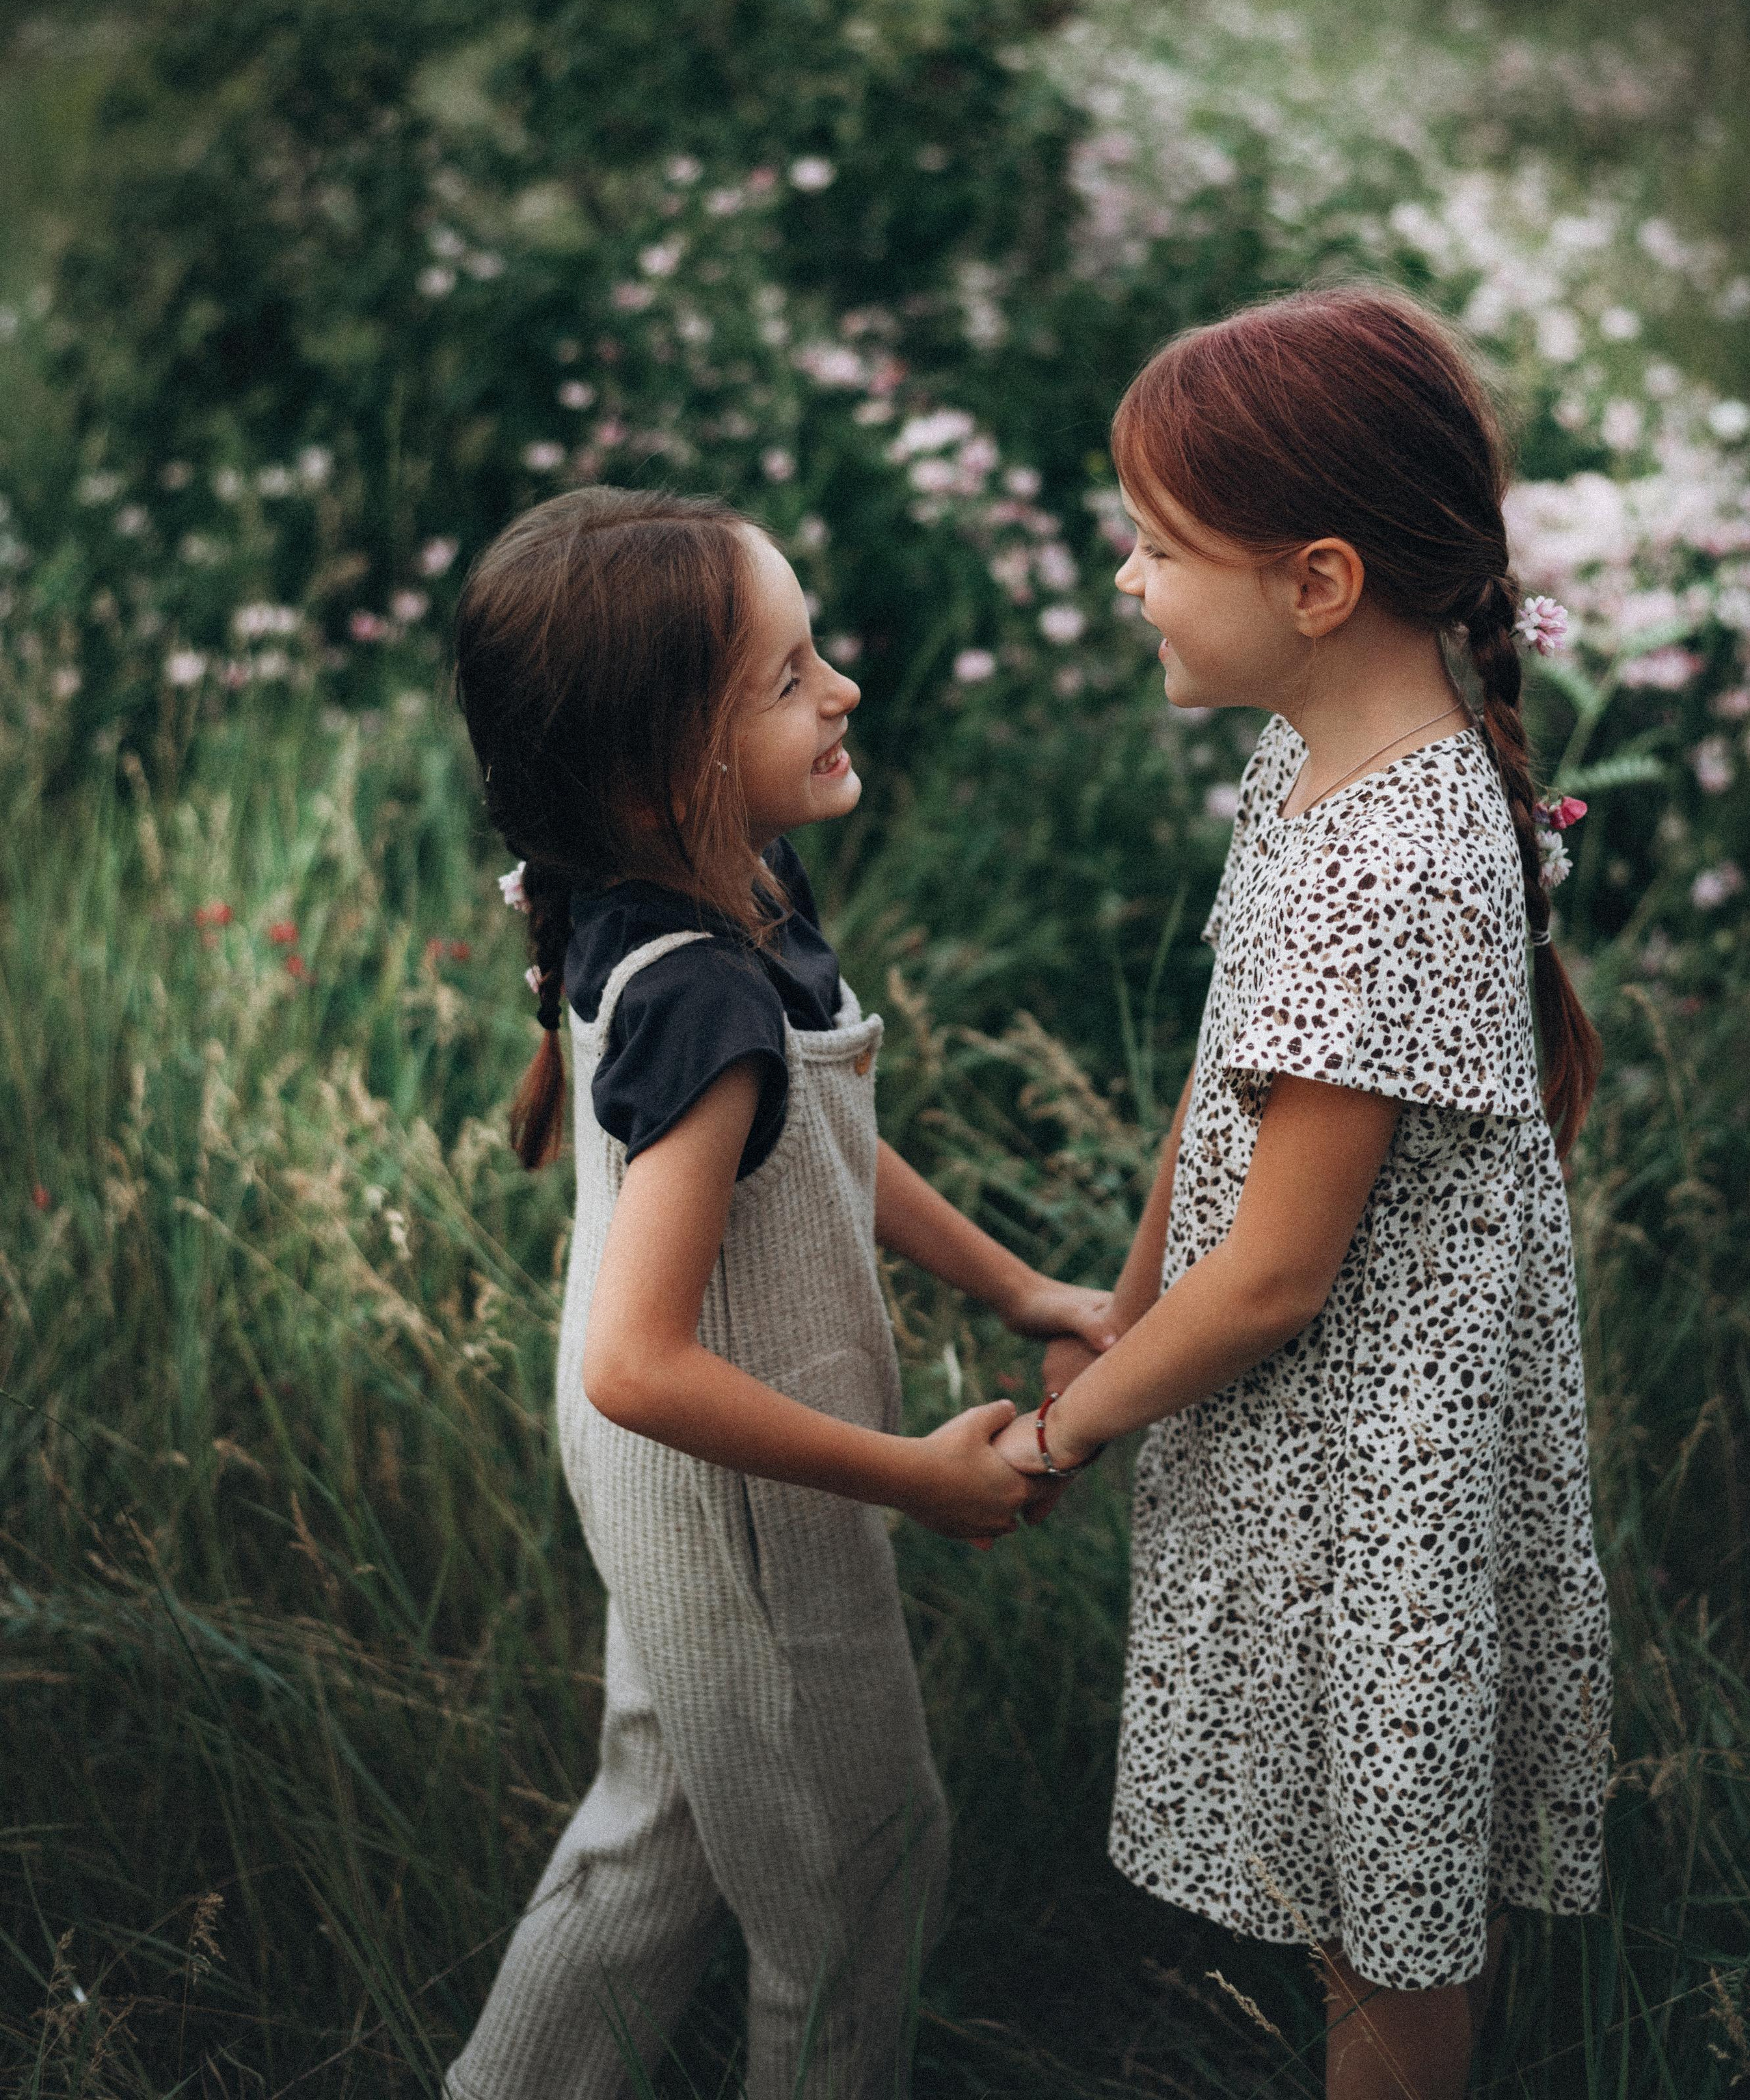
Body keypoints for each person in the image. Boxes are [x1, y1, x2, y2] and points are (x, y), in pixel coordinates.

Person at [1001, 287, 1612, 2100]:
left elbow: (1274, 1276)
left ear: (1317, 583)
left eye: (1158, 545)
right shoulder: (1310, 765)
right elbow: (1224, 1081)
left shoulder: (1393, 859)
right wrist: (1121, 1309)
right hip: (1309, 1451)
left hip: (1378, 1490)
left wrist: (1065, 1432)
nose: (1127, 580)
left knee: (1389, 1932)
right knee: (1353, 1879)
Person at [446, 485, 1112, 2100]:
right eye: (788, 676)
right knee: (857, 1876)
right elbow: (638, 1361)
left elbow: (820, 1143)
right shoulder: (704, 996)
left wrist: (1022, 1285)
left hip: (679, 1487)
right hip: (739, 1505)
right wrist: (913, 1480)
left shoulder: (721, 889)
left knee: (666, 1825)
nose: (843, 691)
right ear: (653, 770)